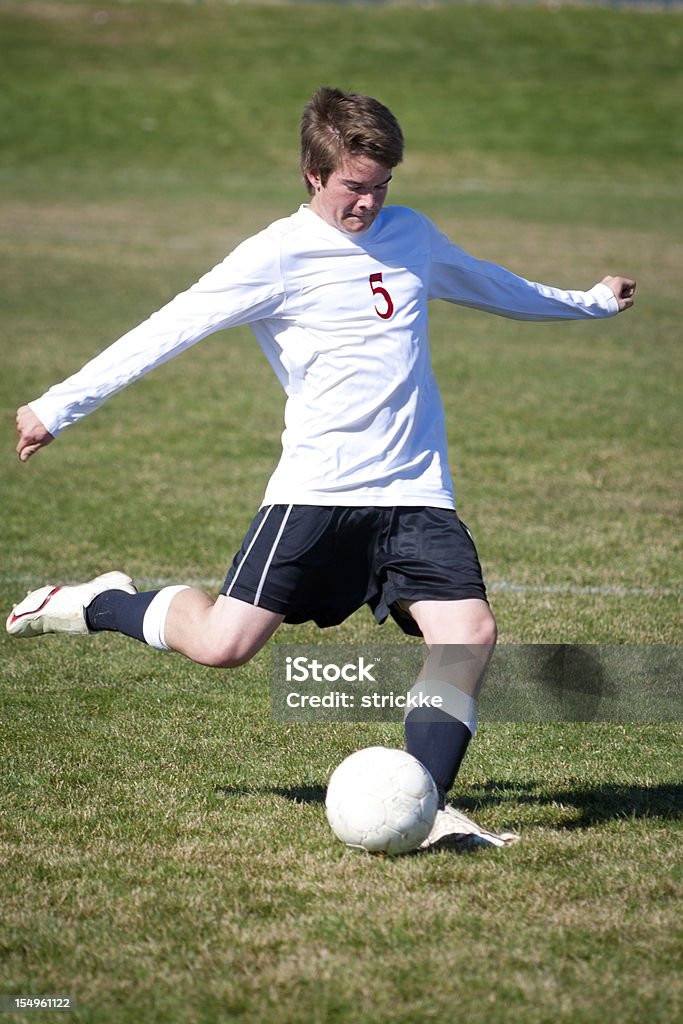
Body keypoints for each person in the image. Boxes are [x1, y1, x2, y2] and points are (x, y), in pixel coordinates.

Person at [7, 87, 635, 849]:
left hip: (413, 490)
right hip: (318, 491)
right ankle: (99, 603)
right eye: (352, 187)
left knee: (467, 634)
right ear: (312, 173)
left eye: (380, 186)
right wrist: (58, 405)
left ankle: (426, 806)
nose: (367, 203)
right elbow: (168, 328)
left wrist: (590, 304)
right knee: (224, 647)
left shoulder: (413, 236)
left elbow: (494, 285)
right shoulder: (274, 253)